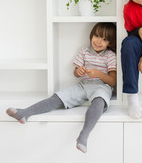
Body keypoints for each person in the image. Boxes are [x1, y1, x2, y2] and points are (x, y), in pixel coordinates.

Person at [6, 22, 117, 153]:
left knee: (99, 102)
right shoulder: (84, 51)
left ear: (109, 43)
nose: (98, 41)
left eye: (104, 39)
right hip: (83, 85)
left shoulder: (110, 56)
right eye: (96, 36)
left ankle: (84, 135)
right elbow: (75, 73)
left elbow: (112, 81)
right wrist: (79, 71)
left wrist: (98, 74)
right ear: (91, 35)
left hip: (101, 87)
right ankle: (25, 113)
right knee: (58, 97)